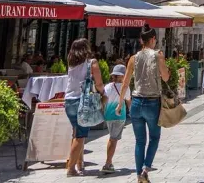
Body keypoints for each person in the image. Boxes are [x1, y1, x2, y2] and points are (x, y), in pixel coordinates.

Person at [117, 25, 170, 183]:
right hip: (152, 102)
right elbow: (166, 77)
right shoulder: (158, 55)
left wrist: (120, 104)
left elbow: (125, 83)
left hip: (136, 103)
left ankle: (139, 174)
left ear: (141, 40)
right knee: (154, 137)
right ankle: (146, 169)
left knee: (140, 141)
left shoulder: (133, 58)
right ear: (153, 39)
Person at [64, 39, 105, 177]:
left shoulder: (71, 64)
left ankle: (79, 163)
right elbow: (98, 83)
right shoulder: (91, 63)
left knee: (76, 132)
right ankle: (70, 169)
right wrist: (103, 93)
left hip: (69, 101)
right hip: (83, 102)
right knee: (80, 136)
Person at [102, 64, 131, 174]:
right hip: (119, 116)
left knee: (112, 137)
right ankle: (108, 163)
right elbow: (128, 101)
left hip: (108, 116)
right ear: (123, 76)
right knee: (113, 139)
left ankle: (109, 162)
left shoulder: (108, 86)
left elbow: (104, 100)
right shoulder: (125, 87)